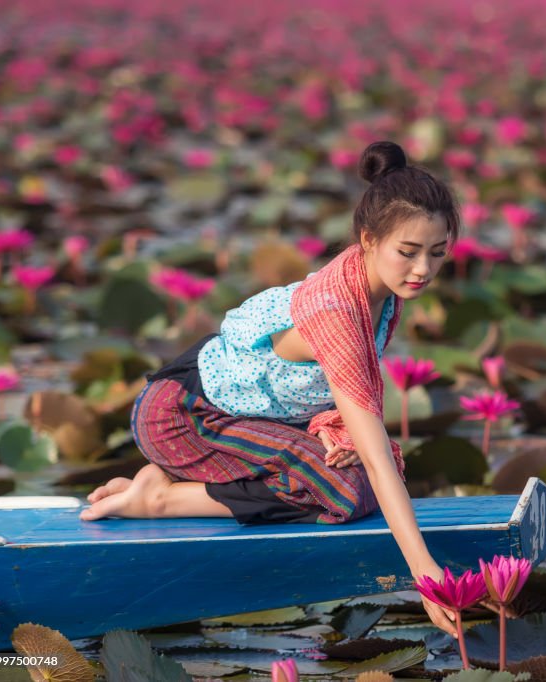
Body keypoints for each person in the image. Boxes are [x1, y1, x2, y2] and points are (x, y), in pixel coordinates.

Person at [79, 141, 464, 636]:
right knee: (348, 489)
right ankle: (158, 499)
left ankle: (167, 483)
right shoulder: (337, 311)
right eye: (408, 253)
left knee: (368, 471)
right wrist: (423, 569)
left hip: (243, 413)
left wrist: (329, 427)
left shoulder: (374, 285)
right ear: (367, 240)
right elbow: (371, 456)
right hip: (186, 417)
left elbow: (339, 400)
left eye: (437, 253)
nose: (423, 270)